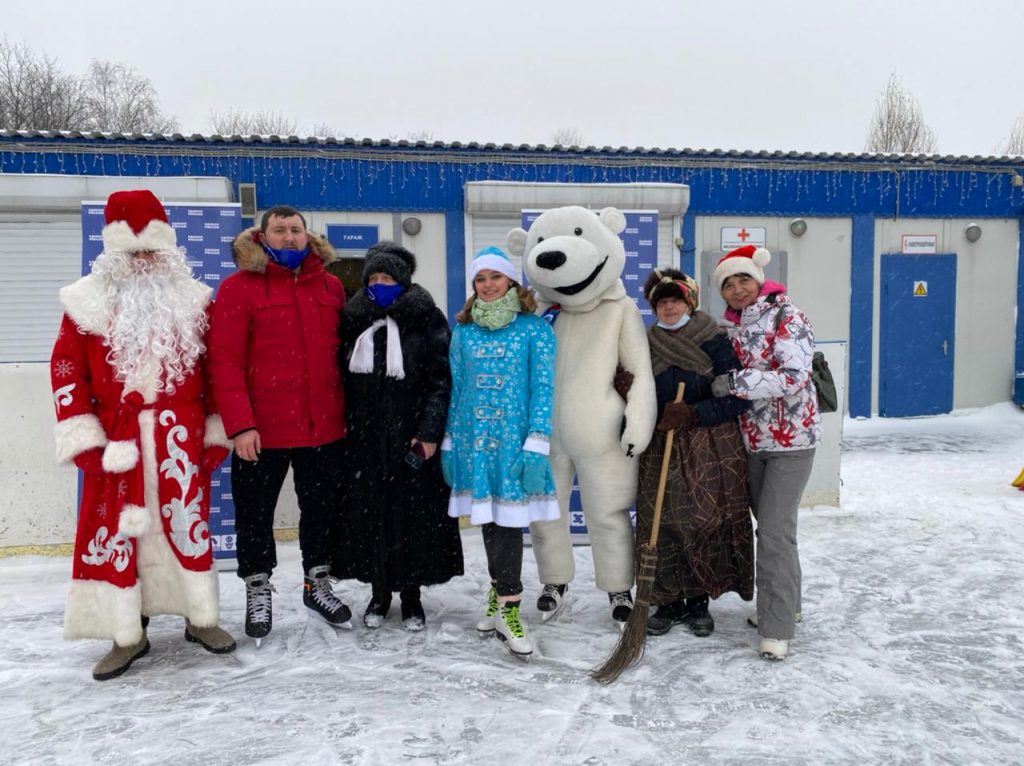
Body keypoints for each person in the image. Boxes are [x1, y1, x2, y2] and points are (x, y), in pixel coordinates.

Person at [50, 189, 236, 681]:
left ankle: (200, 618)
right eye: (133, 252)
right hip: (118, 442)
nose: (143, 261)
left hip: (180, 440)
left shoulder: (196, 301)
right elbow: (66, 368)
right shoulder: (84, 303)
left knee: (184, 527)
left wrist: (216, 432)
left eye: (152, 250)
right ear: (113, 252)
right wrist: (85, 438)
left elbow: (216, 371)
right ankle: (125, 634)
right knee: (116, 535)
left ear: (169, 249)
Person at [209, 205, 349, 643]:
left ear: (308, 237)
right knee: (254, 514)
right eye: (279, 230)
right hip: (260, 432)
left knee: (322, 511)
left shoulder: (330, 287)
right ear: (262, 236)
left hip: (322, 428)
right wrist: (240, 425)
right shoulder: (236, 289)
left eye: (295, 230)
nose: (289, 237)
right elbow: (224, 362)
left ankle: (317, 582)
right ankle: (257, 586)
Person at [335, 242, 463, 631]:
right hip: (365, 442)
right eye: (373, 278)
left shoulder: (427, 318)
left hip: (412, 441)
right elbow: (338, 380)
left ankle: (411, 596)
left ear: (403, 282)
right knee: (373, 517)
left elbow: (441, 380)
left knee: (413, 520)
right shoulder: (354, 319)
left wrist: (427, 433)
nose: (379, 284)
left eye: (387, 277)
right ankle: (379, 592)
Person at [441, 247, 559, 659]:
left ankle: (510, 607)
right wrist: (450, 443)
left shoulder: (534, 330)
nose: (488, 284)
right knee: (490, 523)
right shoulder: (464, 332)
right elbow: (458, 390)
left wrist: (537, 443)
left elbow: (543, 388)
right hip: (475, 443)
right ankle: (498, 593)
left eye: (496, 276)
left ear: (511, 282)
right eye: (480, 279)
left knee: (508, 526)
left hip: (516, 445)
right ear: (473, 287)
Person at [711, 244, 821, 661]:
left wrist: (736, 383)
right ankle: (788, 605)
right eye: (728, 283)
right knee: (777, 532)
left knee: (773, 533)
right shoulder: (731, 329)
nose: (737, 289)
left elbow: (793, 377)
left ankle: (776, 628)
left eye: (743, 280)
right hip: (753, 443)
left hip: (792, 442)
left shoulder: (788, 316)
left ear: (758, 281)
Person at [638, 269, 754, 638]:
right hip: (661, 442)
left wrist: (694, 412)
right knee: (664, 520)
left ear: (689, 302)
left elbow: (736, 398)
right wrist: (628, 388)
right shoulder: (644, 342)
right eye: (661, 301)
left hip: (708, 444)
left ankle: (699, 600)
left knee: (703, 521)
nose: (668, 307)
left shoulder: (714, 340)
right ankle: (668, 600)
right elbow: (636, 390)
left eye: (675, 300)